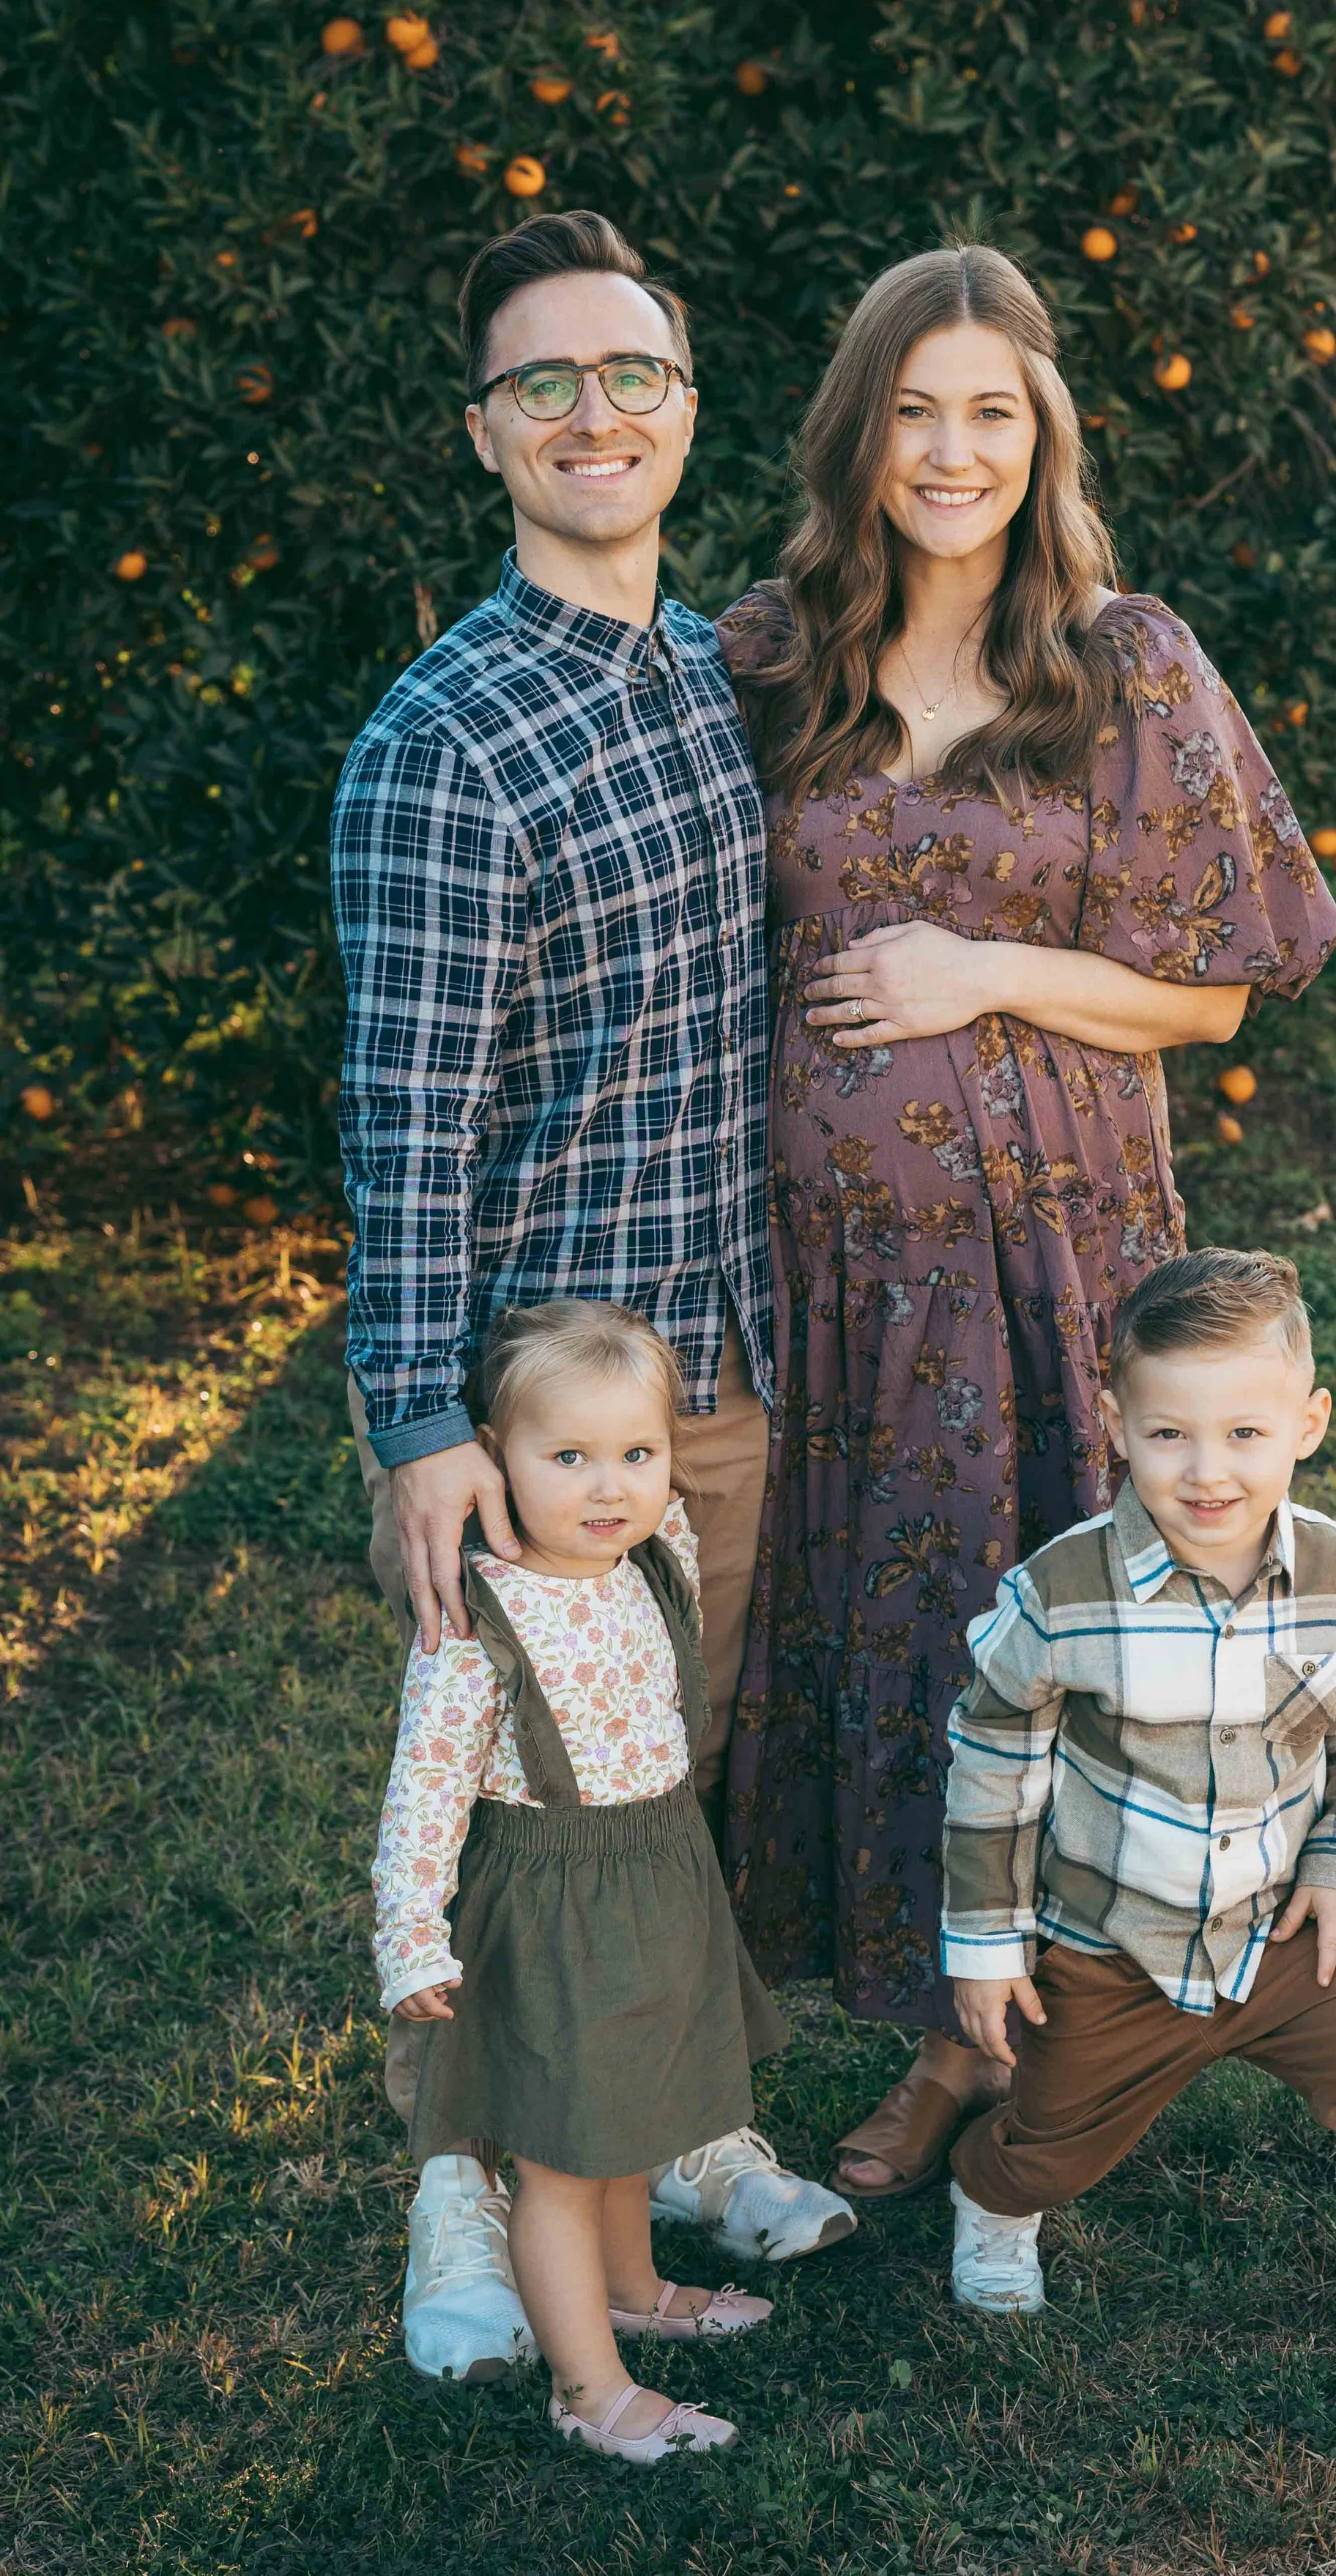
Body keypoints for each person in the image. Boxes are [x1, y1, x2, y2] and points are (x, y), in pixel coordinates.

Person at [716, 245, 1336, 2201]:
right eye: (912, 410)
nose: (950, 450)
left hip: (1054, 1245)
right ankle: (908, 2006)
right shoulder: (767, 657)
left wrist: (975, 967)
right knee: (881, 1628)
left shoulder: (1120, 660)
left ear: (1042, 433)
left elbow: (1216, 989)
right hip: (828, 1267)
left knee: (1035, 1624)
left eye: (990, 411)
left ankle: (996, 2046)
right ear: (856, 434)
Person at [332, 209, 852, 2387]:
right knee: (503, 1825)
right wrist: (415, 1423)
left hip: (711, 1367)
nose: (591, 412)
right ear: (485, 434)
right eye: (540, 382)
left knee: (656, 1784)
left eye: (628, 371)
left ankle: (670, 2124)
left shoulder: (720, 677)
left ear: (687, 408)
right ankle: (462, 2199)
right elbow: (404, 1114)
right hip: (537, 1417)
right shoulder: (444, 740)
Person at [940, 1249, 1336, 2474]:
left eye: (1245, 1431)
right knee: (1056, 2139)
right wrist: (985, 1940)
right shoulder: (1061, 1594)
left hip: (1293, 1932)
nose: (1208, 1469)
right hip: (1115, 1949)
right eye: (1169, 1433)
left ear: (1309, 1423)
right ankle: (992, 2190)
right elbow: (991, 1761)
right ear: (1116, 1423)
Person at [374, 1299, 787, 2465]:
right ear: (494, 1459)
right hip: (550, 1907)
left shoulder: (652, 1561)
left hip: (653, 1876)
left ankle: (631, 2288)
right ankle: (590, 2387)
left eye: (637, 1453)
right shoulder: (478, 1621)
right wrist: (411, 1936)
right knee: (562, 2156)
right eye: (568, 1457)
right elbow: (424, 1789)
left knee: (631, 2118)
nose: (610, 1486)